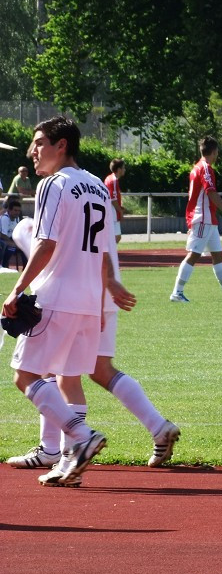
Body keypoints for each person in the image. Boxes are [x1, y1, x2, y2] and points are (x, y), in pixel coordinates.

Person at [3, 116, 135, 486]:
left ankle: (81, 436)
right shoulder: (97, 185)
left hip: (57, 294)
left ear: (62, 146)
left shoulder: (53, 184)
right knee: (69, 378)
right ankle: (68, 464)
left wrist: (17, 289)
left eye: (40, 142)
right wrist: (105, 292)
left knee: (25, 375)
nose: (33, 150)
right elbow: (106, 250)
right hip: (89, 300)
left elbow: (46, 243)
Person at [5, 218, 182, 481]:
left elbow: (51, 245)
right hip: (97, 290)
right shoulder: (96, 189)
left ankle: (61, 451)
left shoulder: (60, 189)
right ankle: (157, 426)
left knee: (56, 372)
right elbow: (100, 244)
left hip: (79, 293)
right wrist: (108, 282)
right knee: (98, 370)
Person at [169, 136, 222, 302]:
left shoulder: (197, 167)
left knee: (218, 256)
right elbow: (211, 192)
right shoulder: (205, 168)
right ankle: (177, 292)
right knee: (194, 255)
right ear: (214, 151)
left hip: (208, 219)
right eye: (217, 151)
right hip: (203, 218)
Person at [103, 158, 126, 243]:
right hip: (112, 212)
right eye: (123, 168)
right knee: (116, 237)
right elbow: (113, 199)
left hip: (109, 210)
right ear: (119, 169)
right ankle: (107, 254)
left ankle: (108, 254)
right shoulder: (114, 180)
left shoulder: (109, 178)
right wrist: (120, 211)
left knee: (115, 237)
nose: (124, 170)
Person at [1, 196, 26, 269]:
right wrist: (14, 244)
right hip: (3, 239)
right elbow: (3, 235)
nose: (17, 212)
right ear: (9, 210)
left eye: (18, 211)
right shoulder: (5, 218)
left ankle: (25, 268)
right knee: (10, 247)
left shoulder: (17, 218)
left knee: (24, 247)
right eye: (15, 210)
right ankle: (4, 266)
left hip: (10, 238)